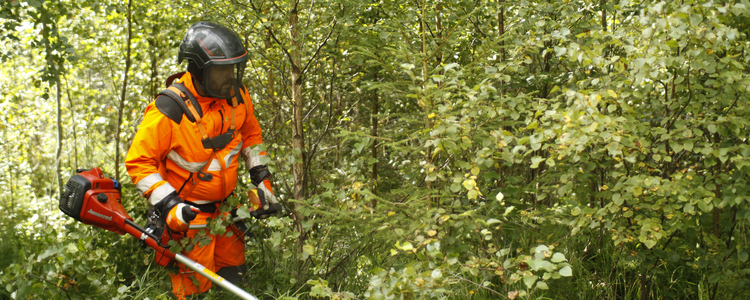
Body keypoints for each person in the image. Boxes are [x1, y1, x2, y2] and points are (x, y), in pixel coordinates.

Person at [125, 21, 278, 299]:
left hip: (229, 211)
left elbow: (251, 135)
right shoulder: (169, 110)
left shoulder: (237, 95)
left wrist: (263, 181)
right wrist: (169, 204)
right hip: (189, 217)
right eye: (222, 70)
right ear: (198, 70)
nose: (230, 76)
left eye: (233, 68)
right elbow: (139, 162)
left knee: (235, 281)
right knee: (195, 290)